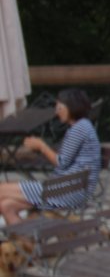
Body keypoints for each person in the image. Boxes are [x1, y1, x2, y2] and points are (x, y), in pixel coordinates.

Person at [0, 89, 103, 224]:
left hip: (67, 191)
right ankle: (26, 243)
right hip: (69, 188)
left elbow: (61, 162)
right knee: (7, 205)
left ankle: (57, 230)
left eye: (60, 107)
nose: (56, 111)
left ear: (72, 106)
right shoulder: (83, 126)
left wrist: (41, 146)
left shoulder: (79, 129)